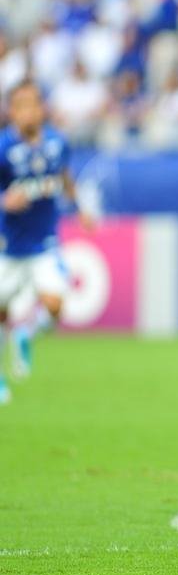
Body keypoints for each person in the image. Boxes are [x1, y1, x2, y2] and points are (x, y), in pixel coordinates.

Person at [0, 81, 92, 404]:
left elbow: (64, 176)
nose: (27, 111)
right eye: (20, 105)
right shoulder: (3, 148)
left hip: (43, 243)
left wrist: (80, 208)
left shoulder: (56, 142)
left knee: (54, 304)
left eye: (32, 104)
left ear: (42, 109)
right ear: (11, 111)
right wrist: (3, 201)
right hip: (8, 247)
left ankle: (25, 332)